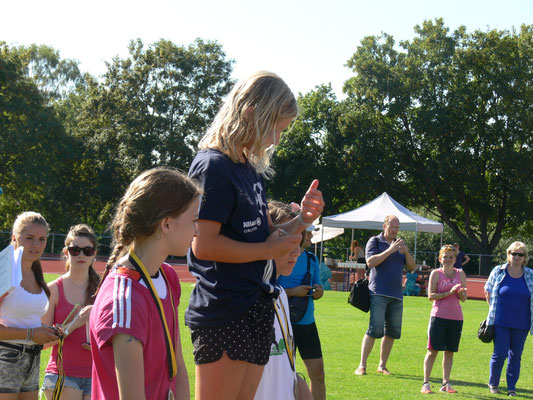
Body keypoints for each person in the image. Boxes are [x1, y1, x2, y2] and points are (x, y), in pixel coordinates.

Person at [186, 71, 325, 400]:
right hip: (225, 309)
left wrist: (302, 221)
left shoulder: (249, 171)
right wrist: (266, 247)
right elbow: (203, 245)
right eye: (276, 127)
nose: (276, 140)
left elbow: (267, 241)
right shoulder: (213, 166)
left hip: (256, 307)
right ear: (252, 112)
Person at [89, 167, 200, 400]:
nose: (197, 230)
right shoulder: (125, 299)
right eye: (193, 220)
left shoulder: (168, 277)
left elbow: (177, 367)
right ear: (166, 224)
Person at [255, 201, 312, 400]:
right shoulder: (246, 298)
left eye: (299, 243)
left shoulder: (279, 294)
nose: (296, 252)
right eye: (289, 242)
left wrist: (297, 383)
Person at [0, 212, 60, 399]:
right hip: (6, 357)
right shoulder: (5, 272)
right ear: (14, 238)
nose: (36, 245)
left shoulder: (36, 272)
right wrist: (31, 334)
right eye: (29, 238)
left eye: (42, 239)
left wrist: (48, 331)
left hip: (32, 358)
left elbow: (25, 319)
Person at [41, 224, 100, 400]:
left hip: (97, 374)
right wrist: (74, 324)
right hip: (62, 374)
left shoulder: (104, 288)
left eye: (87, 250)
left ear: (94, 254)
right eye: (75, 250)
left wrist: (100, 345)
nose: (81, 255)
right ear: (66, 252)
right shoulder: (53, 290)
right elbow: (41, 343)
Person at [354, 215, 416, 376]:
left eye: (397, 227)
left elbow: (412, 267)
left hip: (396, 295)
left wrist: (406, 253)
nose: (395, 230)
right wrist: (390, 250)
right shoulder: (375, 241)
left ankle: (382, 365)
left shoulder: (400, 244)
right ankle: (362, 365)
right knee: (374, 329)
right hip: (378, 292)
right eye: (392, 227)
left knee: (392, 332)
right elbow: (370, 262)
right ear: (384, 226)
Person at [278, 225, 326, 400]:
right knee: (286, 377)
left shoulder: (312, 259)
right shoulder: (282, 256)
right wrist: (294, 291)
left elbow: (317, 287)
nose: (311, 234)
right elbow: (270, 288)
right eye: (307, 231)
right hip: (284, 325)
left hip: (307, 323)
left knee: (318, 375)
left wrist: (318, 291)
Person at [484, 241, 533, 397]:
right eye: (514, 253)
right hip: (501, 322)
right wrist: (493, 309)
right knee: (500, 354)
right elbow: (488, 291)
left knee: (516, 356)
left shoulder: (530, 274)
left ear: (525, 257)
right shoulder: (498, 271)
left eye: (521, 254)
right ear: (508, 254)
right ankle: (494, 384)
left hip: (522, 323)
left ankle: (512, 387)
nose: (517, 257)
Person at [420, 245, 467, 394]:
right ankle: (426, 383)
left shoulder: (460, 274)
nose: (448, 259)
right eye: (445, 257)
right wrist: (449, 292)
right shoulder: (436, 273)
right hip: (438, 316)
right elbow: (430, 296)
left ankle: (446, 383)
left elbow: (464, 299)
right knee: (432, 351)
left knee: (450, 351)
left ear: (455, 259)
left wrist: (461, 293)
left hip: (456, 317)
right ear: (440, 259)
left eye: (451, 257)